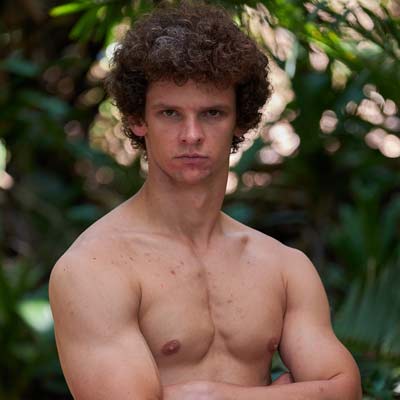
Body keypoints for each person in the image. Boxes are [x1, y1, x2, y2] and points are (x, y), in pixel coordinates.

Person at [49, 2, 362, 399]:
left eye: (212, 113)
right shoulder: (93, 268)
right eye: (170, 113)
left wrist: (213, 395)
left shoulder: (284, 267)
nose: (192, 135)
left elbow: (344, 390)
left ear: (240, 120)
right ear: (137, 120)